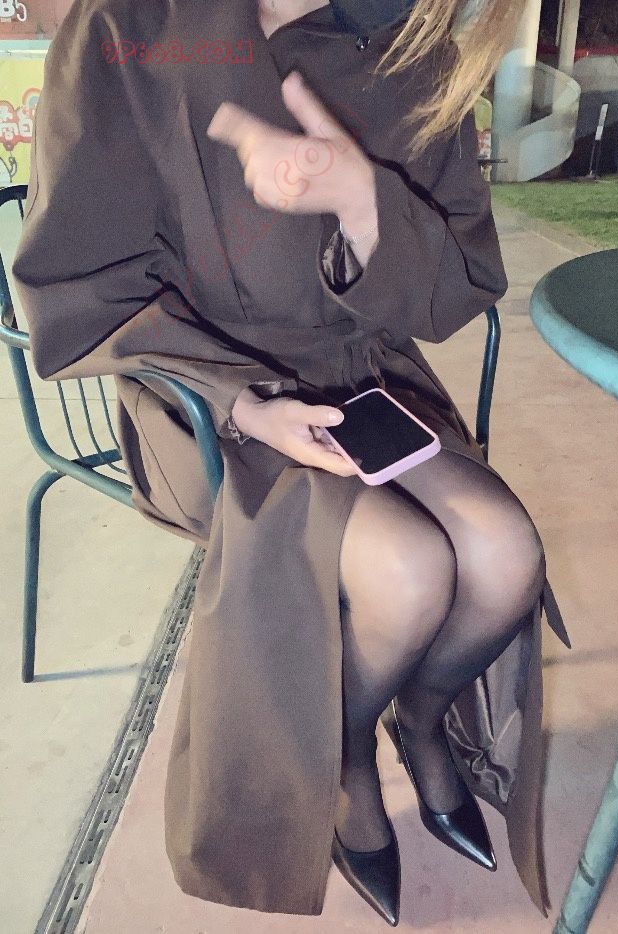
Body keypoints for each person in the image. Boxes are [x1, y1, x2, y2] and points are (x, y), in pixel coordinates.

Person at [12, 0, 569, 926]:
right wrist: (241, 403)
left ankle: (417, 716)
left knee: (505, 553)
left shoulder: (412, 47)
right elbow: (78, 285)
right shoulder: (126, 26)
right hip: (199, 395)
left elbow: (455, 281)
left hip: (362, 375)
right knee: (408, 570)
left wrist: (362, 203)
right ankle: (345, 760)